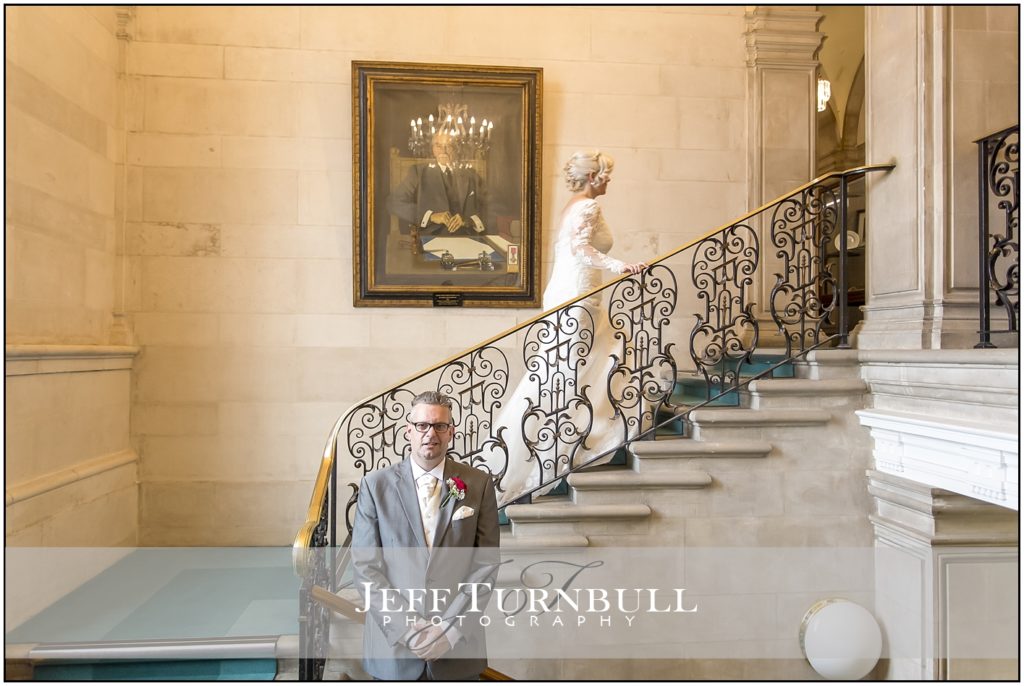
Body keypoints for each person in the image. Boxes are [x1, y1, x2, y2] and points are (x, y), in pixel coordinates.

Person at [489, 151, 648, 507]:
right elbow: (582, 248)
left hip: (570, 293)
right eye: (606, 176)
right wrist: (621, 266)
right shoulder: (587, 207)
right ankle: (562, 443)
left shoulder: (571, 206)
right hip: (578, 296)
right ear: (593, 177)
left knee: (572, 367)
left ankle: (567, 435)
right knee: (573, 370)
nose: (609, 181)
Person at [351, 391, 500, 681]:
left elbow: (485, 565)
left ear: (451, 433)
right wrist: (408, 629)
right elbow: (365, 568)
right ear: (409, 430)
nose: (430, 433)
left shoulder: (478, 484)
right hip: (393, 651)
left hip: (457, 652)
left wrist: (451, 629)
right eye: (422, 425)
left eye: (439, 426)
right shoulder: (374, 486)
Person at [387, 132, 488, 237]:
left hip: (466, 238)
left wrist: (469, 220)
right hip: (431, 239)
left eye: (448, 145)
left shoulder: (469, 174)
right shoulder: (419, 172)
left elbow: (491, 207)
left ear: (456, 148)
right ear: (433, 149)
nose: (443, 151)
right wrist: (430, 216)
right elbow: (393, 203)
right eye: (438, 145)